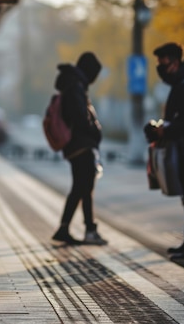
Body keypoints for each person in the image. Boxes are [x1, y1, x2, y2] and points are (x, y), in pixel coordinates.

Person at [144, 42, 184, 265]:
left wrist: (166, 129)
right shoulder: (182, 84)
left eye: (161, 63)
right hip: (183, 147)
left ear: (173, 62)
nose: (159, 68)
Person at [51, 52, 107, 246]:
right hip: (81, 145)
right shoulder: (75, 87)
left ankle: (64, 228)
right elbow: (80, 118)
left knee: (80, 188)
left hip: (75, 145)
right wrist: (94, 132)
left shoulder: (72, 84)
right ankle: (89, 230)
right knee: (85, 188)